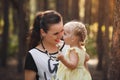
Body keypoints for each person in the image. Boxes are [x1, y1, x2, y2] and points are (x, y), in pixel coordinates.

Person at [24, 10, 69, 80]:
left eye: (62, 30)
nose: (61, 35)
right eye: (55, 33)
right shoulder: (33, 55)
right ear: (43, 32)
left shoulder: (71, 47)